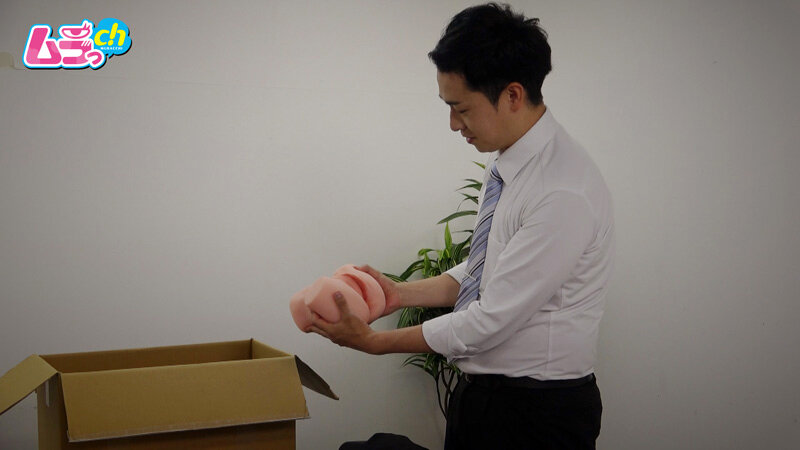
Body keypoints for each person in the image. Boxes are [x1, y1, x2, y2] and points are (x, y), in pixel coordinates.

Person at [308, 3, 615, 449]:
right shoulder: (509, 162)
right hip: (485, 399)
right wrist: (398, 294)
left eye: (461, 108)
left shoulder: (562, 191)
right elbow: (485, 270)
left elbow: (490, 320)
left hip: (537, 415)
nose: (453, 125)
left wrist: (374, 342)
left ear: (512, 96)